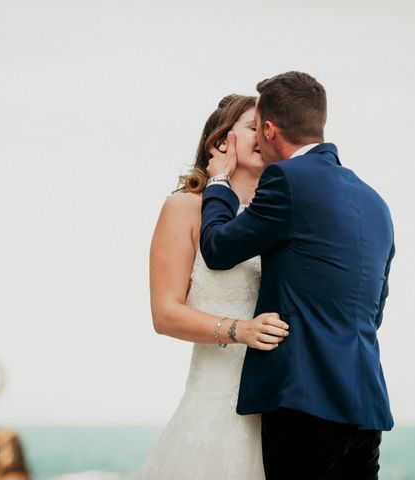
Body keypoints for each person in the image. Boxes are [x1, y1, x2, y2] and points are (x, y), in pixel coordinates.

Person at [200, 71, 395, 479]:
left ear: (270, 129)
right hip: (365, 406)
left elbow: (217, 250)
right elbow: (374, 311)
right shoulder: (375, 201)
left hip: (303, 404)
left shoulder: (288, 180)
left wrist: (218, 181)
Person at [136, 95, 290, 479]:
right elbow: (165, 314)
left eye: (269, 129)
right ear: (220, 142)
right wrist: (241, 331)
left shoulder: (281, 213)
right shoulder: (185, 207)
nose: (264, 135)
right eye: (253, 127)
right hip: (215, 405)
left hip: (281, 409)